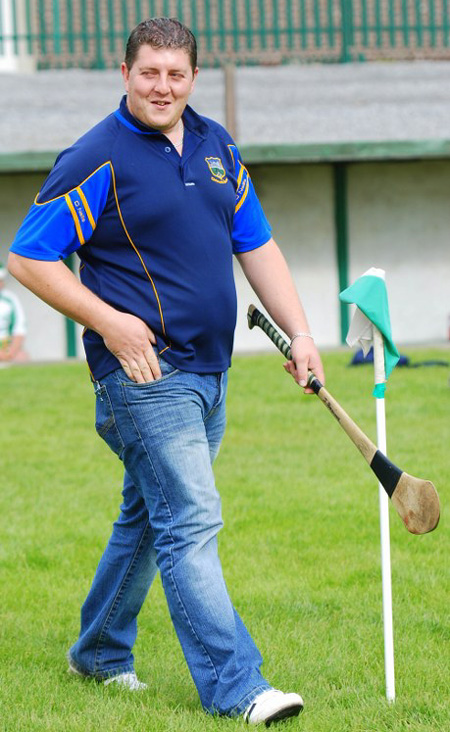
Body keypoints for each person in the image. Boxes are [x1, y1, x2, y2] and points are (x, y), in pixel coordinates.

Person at [8, 17, 324, 725]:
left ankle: (98, 652)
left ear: (192, 78)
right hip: (144, 378)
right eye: (149, 72)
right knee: (190, 520)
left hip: (211, 371)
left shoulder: (216, 147)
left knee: (149, 519)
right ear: (125, 74)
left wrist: (300, 333)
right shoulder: (99, 157)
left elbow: (259, 246)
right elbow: (28, 258)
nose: (162, 86)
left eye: (175, 74)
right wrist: (109, 323)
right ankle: (239, 686)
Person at [0, 262, 28, 363]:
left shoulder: (10, 299)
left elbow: (19, 328)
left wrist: (11, 352)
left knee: (21, 356)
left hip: (5, 344)